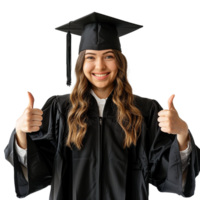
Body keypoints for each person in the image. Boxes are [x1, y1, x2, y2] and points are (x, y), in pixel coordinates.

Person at [3, 11, 200, 200]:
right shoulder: (58, 109)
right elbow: (39, 172)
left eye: (108, 56)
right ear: (80, 63)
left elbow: (165, 175)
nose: (99, 66)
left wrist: (182, 135)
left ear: (120, 62)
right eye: (90, 57)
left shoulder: (145, 111)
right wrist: (20, 133)